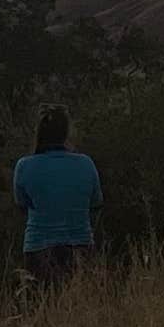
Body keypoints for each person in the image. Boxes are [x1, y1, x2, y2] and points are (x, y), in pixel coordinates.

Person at [12, 107, 101, 288]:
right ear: (66, 132)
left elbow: (22, 204)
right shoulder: (85, 163)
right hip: (80, 244)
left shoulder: (24, 166)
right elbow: (96, 202)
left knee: (43, 306)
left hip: (38, 248)